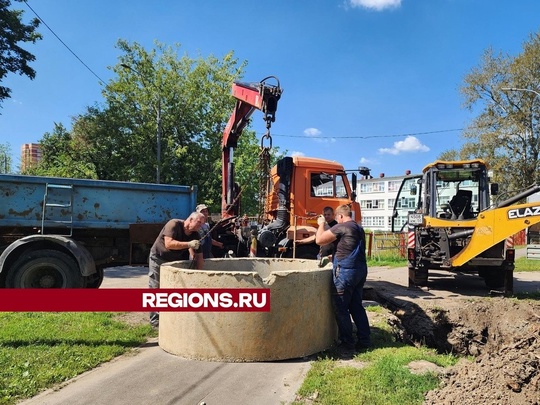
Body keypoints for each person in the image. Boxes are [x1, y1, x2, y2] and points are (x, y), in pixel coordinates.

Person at [315, 204, 371, 352]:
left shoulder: (342, 227)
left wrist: (321, 224)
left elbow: (319, 240)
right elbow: (348, 247)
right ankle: (365, 341)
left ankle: (347, 343)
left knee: (340, 307)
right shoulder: (359, 228)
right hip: (360, 271)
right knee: (356, 306)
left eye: (336, 218)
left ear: (340, 216)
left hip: (346, 272)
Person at [147, 212, 205, 326]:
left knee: (173, 289)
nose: (201, 225)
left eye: (203, 223)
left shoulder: (195, 235)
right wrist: (189, 244)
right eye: (199, 222)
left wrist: (199, 274)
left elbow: (200, 257)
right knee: (155, 287)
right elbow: (169, 244)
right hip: (158, 258)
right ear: (190, 219)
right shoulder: (173, 224)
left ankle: (171, 316)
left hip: (173, 261)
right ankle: (155, 321)